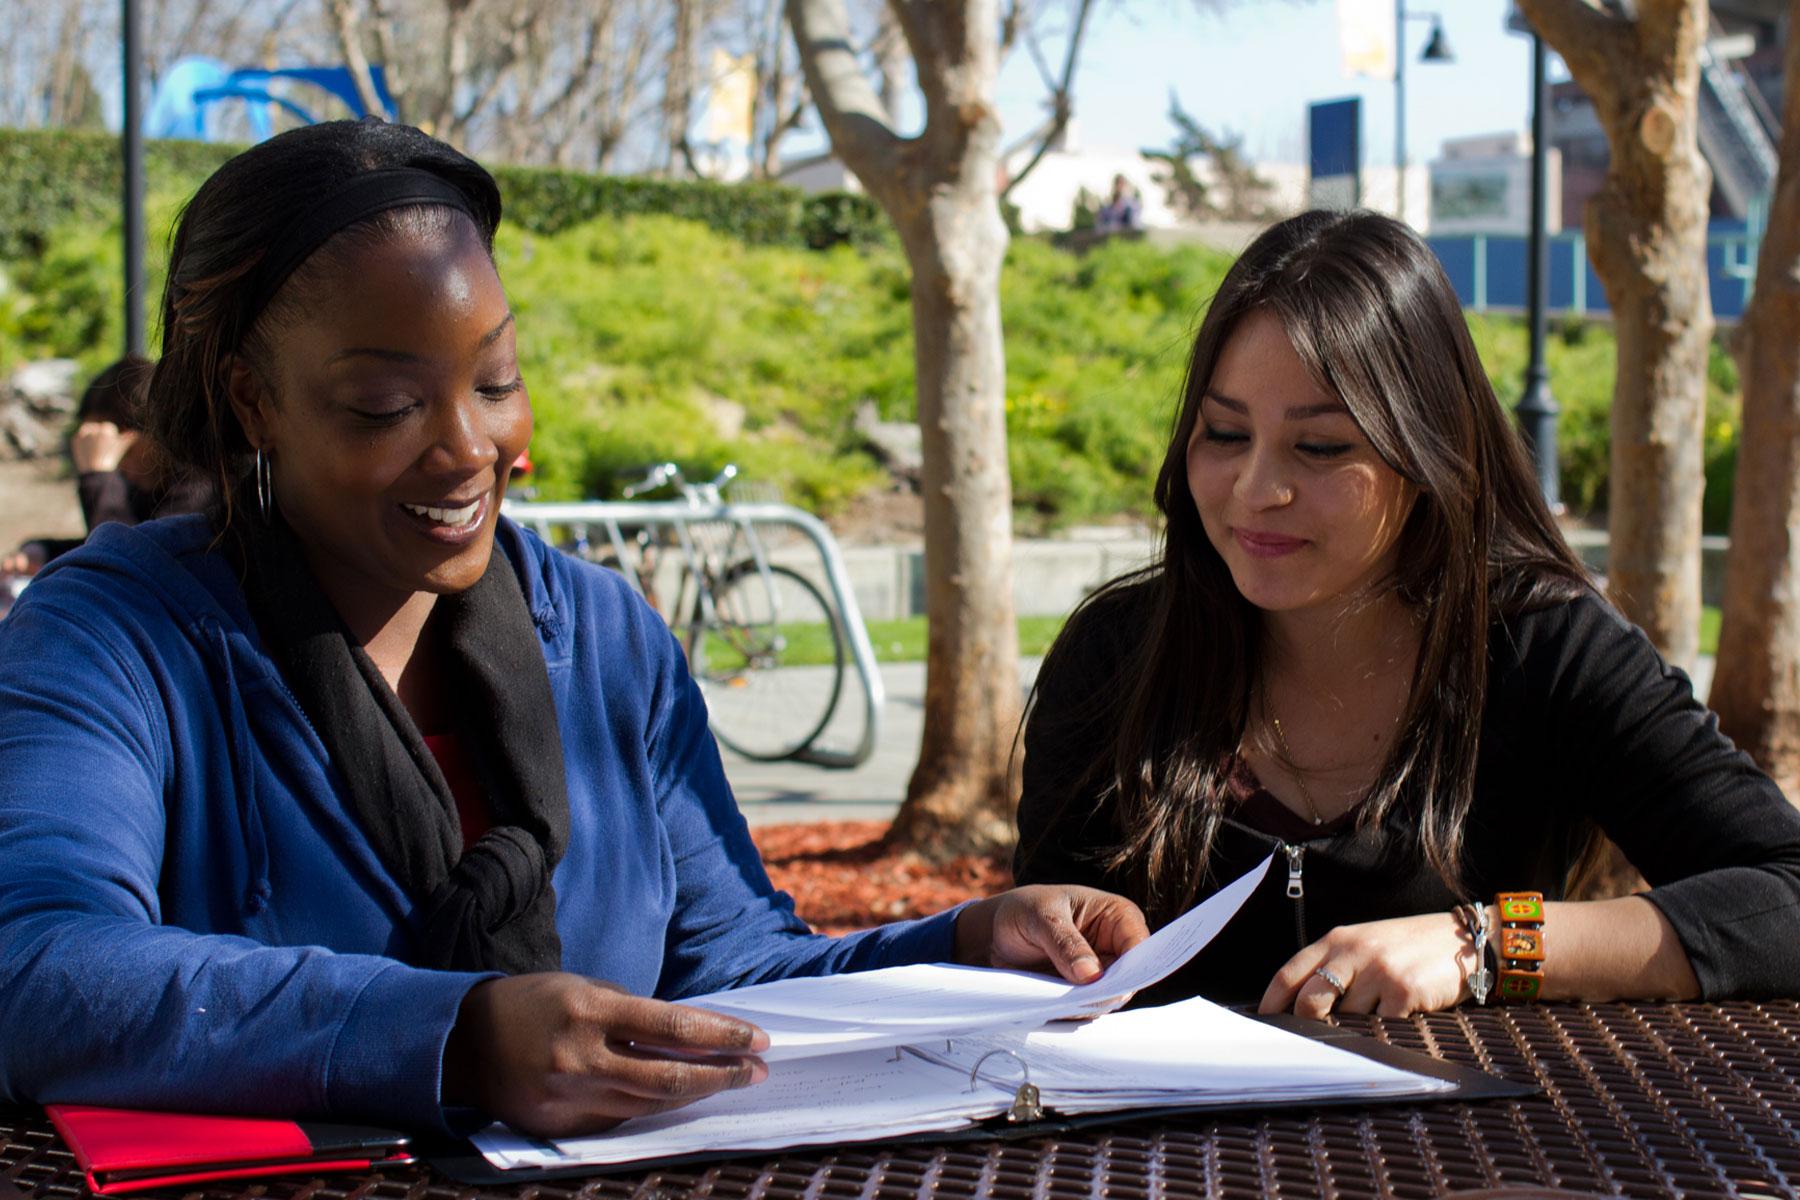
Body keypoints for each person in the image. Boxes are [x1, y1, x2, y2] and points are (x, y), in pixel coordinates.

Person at [0, 119, 1148, 1140]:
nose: (465, 449)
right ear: (254, 399)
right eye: (387, 406)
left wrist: (965, 948)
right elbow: (35, 967)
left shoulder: (602, 639)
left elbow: (734, 973)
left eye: (494, 380)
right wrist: (455, 1039)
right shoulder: (115, 636)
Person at [1015, 209, 1800, 1021]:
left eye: (1319, 448)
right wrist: (1021, 936)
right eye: (1224, 433)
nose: (1256, 489)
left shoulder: (1542, 644)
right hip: (1156, 1152)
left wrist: (1484, 946)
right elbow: (1023, 992)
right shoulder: (1116, 657)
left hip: (1478, 1148)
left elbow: (1786, 895)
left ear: (1427, 451)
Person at [1, 355, 211, 575]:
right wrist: (44, 552)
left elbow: (135, 566)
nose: (120, 468)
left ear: (154, 434)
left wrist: (99, 475)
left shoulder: (204, 484)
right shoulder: (151, 487)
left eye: (125, 452)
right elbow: (110, 542)